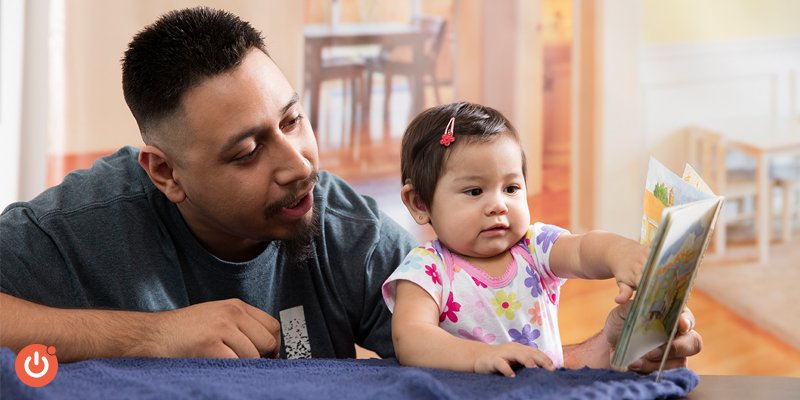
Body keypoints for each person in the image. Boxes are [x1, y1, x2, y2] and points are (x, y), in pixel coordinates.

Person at [0, 7, 701, 370]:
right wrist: (149, 337)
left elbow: (476, 358)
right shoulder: (89, 220)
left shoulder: (351, 233)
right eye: (247, 151)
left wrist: (597, 351)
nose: (298, 164)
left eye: (294, 120)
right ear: (165, 173)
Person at [381, 102, 671, 376]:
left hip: (545, 390)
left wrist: (619, 252)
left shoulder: (534, 247)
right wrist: (479, 356)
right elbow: (410, 337)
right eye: (474, 191)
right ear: (420, 203)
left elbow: (582, 251)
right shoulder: (427, 269)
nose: (499, 205)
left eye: (511, 188)